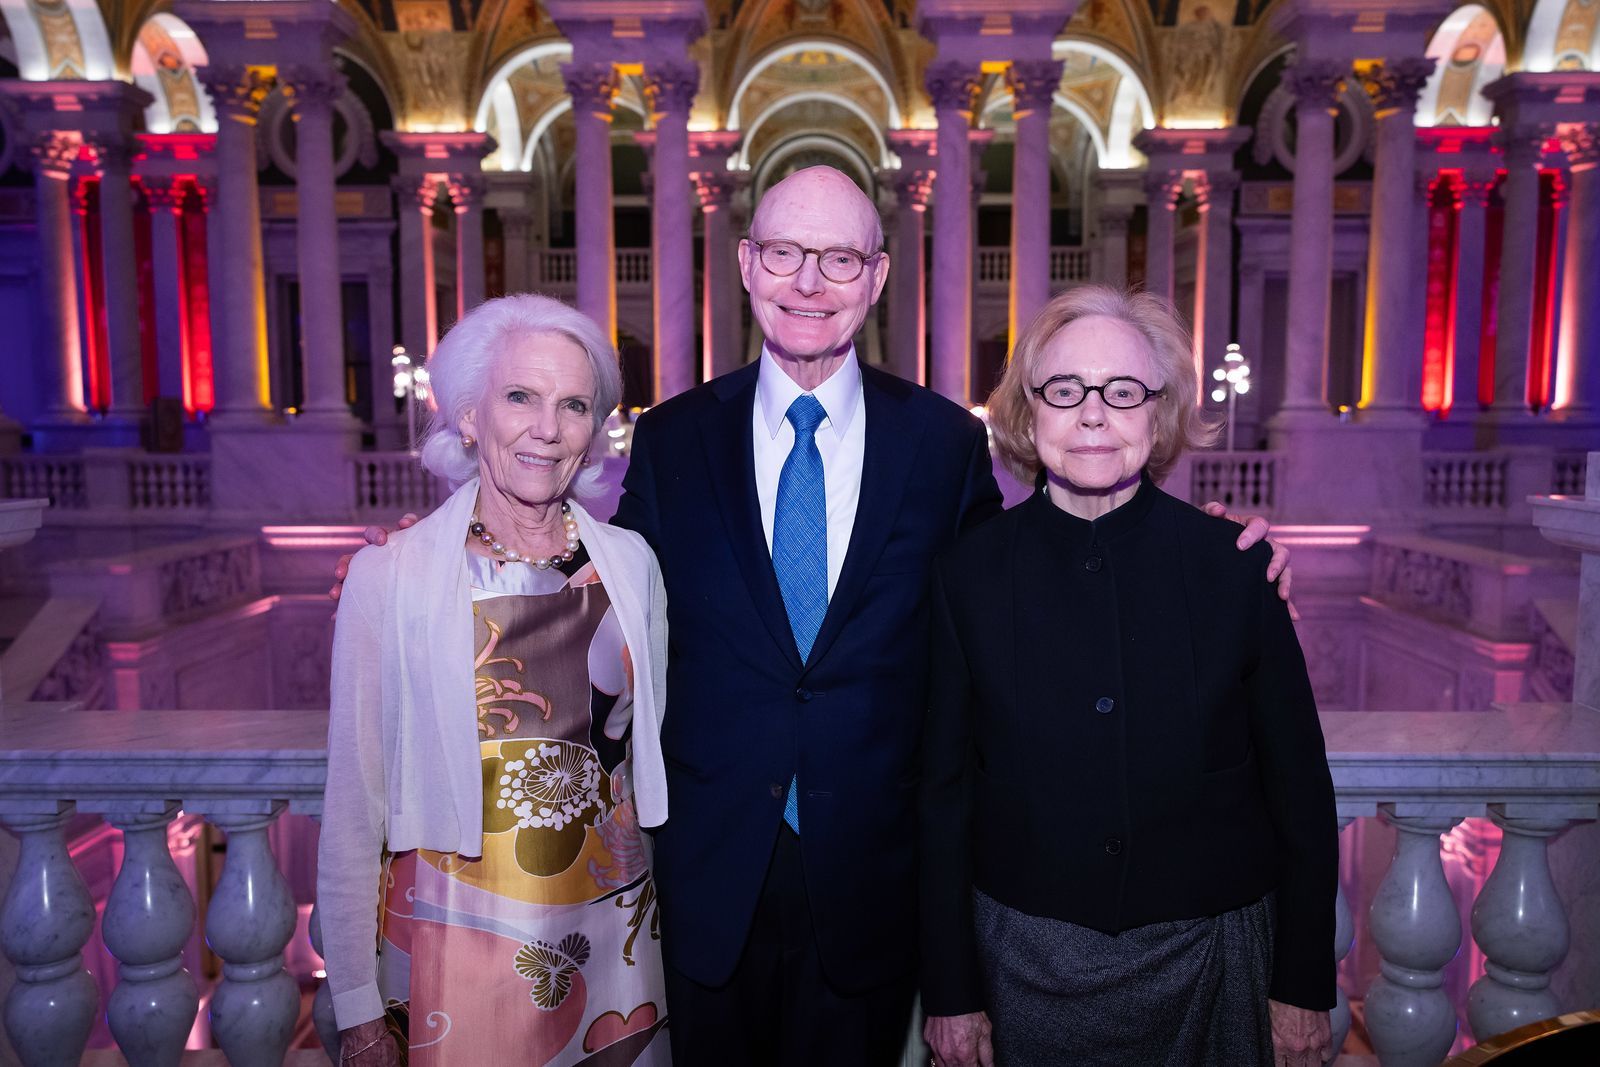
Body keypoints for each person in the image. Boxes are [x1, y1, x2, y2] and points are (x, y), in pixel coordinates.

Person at [333, 166, 1293, 1065]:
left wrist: (1198, 551)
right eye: (786, 252)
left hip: (873, 891)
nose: (809, 281)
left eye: (840, 258)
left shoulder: (942, 444)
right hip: (703, 889)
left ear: (876, 278)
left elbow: (1026, 585)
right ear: (748, 264)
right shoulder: (675, 438)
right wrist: (437, 547)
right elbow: (590, 575)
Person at [919, 286, 1337, 1067]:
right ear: (1027, 412)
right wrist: (951, 990)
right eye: (1064, 389)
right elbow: (942, 801)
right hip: (1024, 961)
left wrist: (1305, 984)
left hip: (1214, 956)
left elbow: (1302, 794)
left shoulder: (1236, 569)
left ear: (1159, 411)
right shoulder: (966, 575)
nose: (1092, 415)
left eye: (1122, 392)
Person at [318, 294, 671, 1067]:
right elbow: (353, 803)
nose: (548, 428)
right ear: (469, 416)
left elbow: (649, 757)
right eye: (520, 397)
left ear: (594, 428)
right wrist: (357, 1006)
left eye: (573, 404)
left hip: (618, 940)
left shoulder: (632, 566)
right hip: (454, 945)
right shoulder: (390, 576)